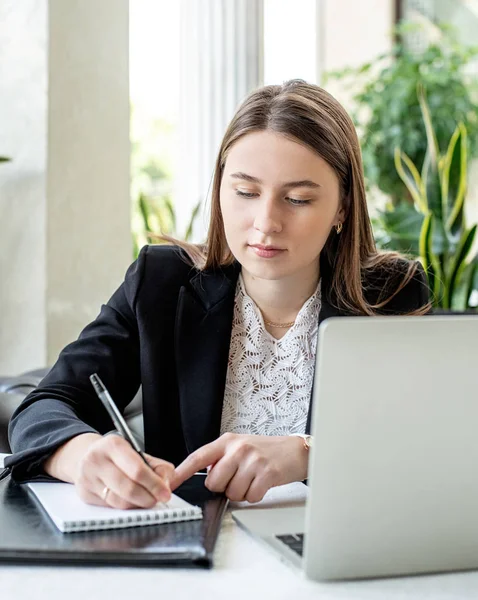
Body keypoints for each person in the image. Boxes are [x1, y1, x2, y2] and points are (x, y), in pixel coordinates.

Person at [6, 79, 430, 509]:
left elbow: (428, 443)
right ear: (221, 188)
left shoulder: (394, 294)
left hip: (339, 544)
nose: (266, 222)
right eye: (246, 192)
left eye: (298, 199)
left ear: (342, 206)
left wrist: (309, 453)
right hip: (195, 552)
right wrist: (81, 457)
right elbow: (44, 407)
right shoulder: (161, 283)